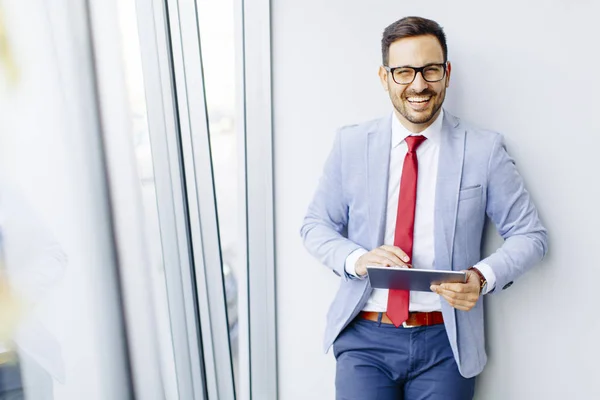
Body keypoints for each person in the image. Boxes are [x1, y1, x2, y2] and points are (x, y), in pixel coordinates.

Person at [300, 16, 548, 400]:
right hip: (364, 338)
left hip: (446, 343)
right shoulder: (351, 145)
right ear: (385, 78)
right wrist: (358, 259)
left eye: (430, 70)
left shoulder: (484, 150)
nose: (418, 85)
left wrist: (480, 277)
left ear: (446, 73)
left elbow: (530, 235)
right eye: (404, 72)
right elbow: (316, 225)